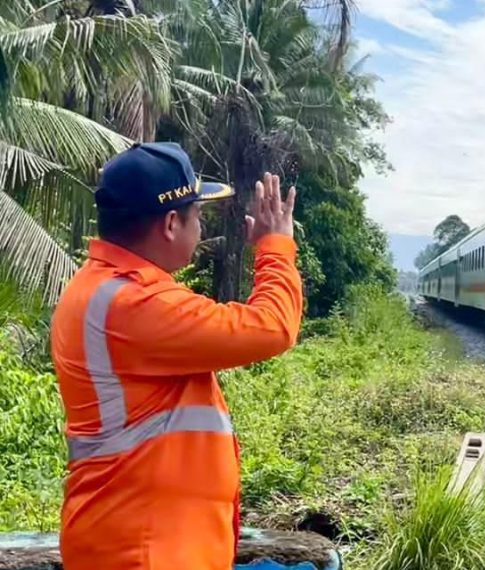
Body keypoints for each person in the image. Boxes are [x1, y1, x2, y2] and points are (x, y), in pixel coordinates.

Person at [49, 142, 305, 570]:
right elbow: (273, 327)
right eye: (198, 215)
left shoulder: (104, 289)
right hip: (144, 551)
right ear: (171, 223)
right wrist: (275, 247)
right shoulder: (131, 304)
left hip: (139, 540)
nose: (201, 228)